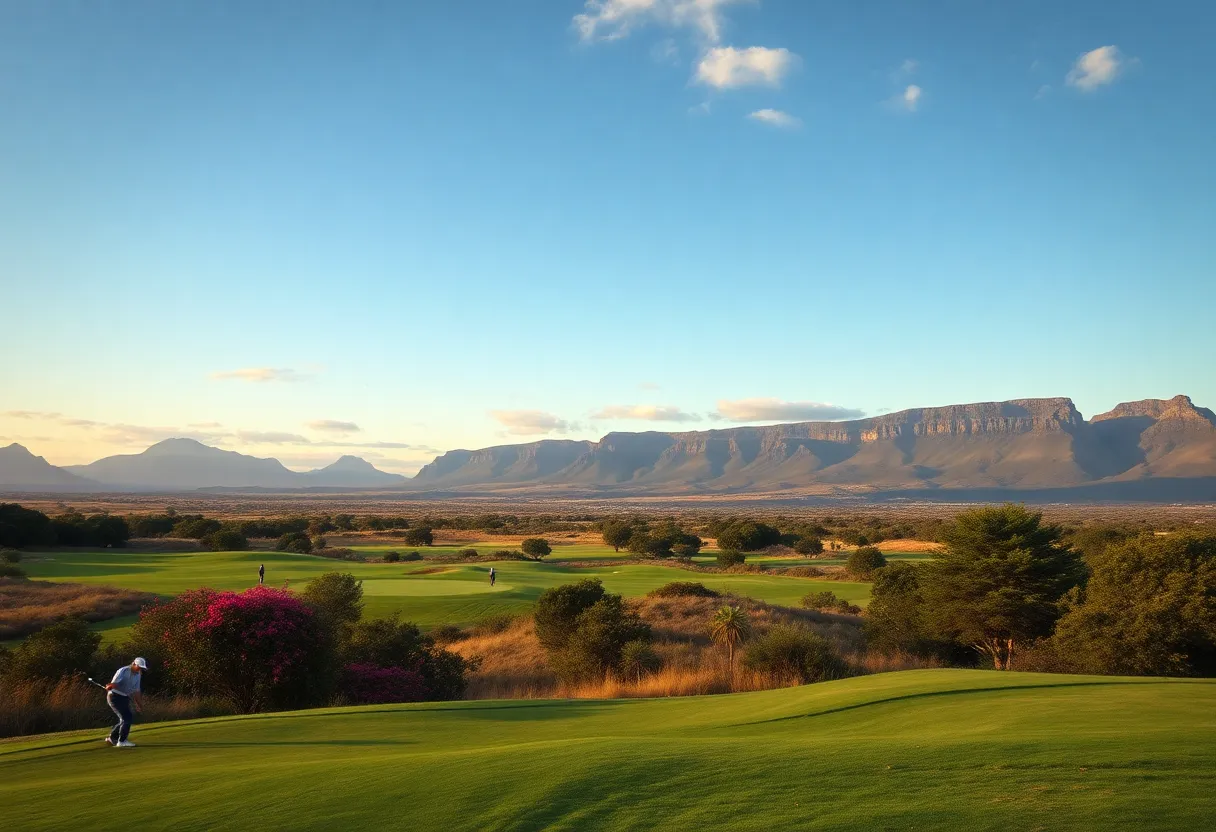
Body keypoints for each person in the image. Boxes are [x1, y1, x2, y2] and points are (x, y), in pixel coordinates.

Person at [105, 657, 147, 748]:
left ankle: (112, 738)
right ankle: (122, 741)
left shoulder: (138, 674)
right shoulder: (123, 671)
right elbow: (115, 683)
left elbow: (136, 691)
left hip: (124, 697)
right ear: (134, 664)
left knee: (125, 718)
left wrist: (139, 705)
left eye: (141, 668)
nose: (140, 669)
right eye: (139, 667)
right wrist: (110, 685)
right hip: (114, 696)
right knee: (126, 718)